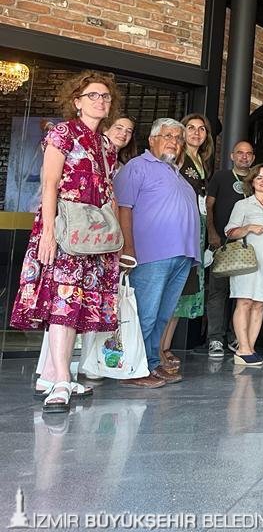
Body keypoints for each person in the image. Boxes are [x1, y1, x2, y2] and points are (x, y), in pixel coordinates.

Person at [12, 71, 123, 410]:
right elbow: (49, 184)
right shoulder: (63, 133)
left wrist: (115, 238)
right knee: (63, 301)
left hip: (94, 236)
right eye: (93, 95)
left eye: (105, 96)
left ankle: (49, 375)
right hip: (63, 229)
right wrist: (48, 233)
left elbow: (108, 192)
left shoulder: (106, 145)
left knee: (76, 305)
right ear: (77, 102)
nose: (100, 101)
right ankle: (62, 380)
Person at [115, 117, 200, 385]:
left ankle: (150, 363)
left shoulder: (178, 175)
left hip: (181, 256)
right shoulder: (137, 167)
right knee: (145, 313)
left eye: (178, 138)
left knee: (162, 316)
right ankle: (132, 369)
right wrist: (127, 248)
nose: (174, 141)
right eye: (168, 136)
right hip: (150, 255)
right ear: (152, 139)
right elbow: (123, 208)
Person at [160, 112, 213, 371]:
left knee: (183, 292)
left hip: (197, 229)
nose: (196, 133)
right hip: (180, 227)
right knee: (172, 290)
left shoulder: (202, 162)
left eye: (201, 129)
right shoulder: (178, 158)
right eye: (191, 128)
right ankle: (157, 349)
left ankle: (165, 347)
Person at [224, 164, 263, 367]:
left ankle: (249, 348)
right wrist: (249, 228)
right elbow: (230, 232)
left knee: (260, 304)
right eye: (259, 177)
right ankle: (242, 348)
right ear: (252, 181)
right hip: (248, 261)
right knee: (245, 302)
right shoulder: (243, 205)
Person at [202, 140, 254, 357]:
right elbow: (209, 205)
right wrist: (212, 232)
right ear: (232, 156)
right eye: (240, 153)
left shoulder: (256, 179)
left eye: (248, 153)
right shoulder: (221, 177)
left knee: (243, 294)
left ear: (253, 157)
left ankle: (236, 337)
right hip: (223, 244)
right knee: (218, 291)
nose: (244, 157)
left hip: (248, 246)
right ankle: (215, 338)